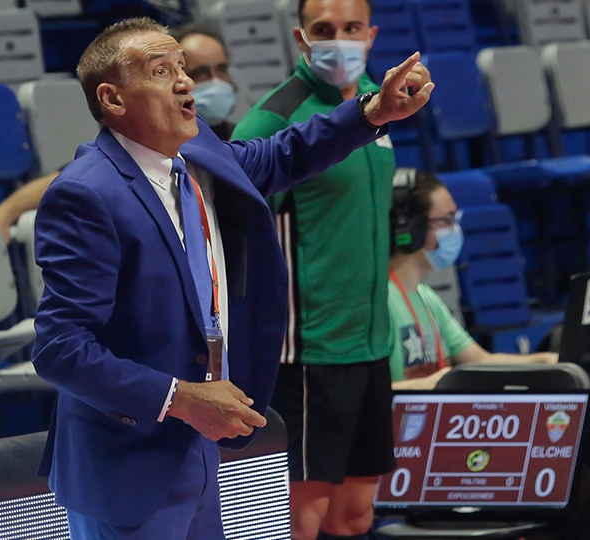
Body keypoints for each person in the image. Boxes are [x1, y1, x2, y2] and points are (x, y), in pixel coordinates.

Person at [31, 16, 432, 540]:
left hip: (201, 444)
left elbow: (282, 153)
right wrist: (182, 398)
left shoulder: (199, 154)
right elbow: (59, 348)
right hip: (128, 459)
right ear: (112, 98)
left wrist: (373, 112)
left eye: (181, 67)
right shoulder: (86, 193)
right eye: (160, 71)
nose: (185, 81)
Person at [231, 1, 399, 538]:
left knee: (354, 515)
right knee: (301, 521)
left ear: (371, 35)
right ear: (302, 38)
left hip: (370, 343)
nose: (340, 39)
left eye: (352, 28)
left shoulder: (379, 100)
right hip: (308, 352)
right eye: (324, 30)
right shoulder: (272, 119)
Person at [0, 24, 240, 241]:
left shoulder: (240, 135)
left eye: (222, 69)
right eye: (198, 72)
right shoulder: (140, 146)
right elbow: (77, 180)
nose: (211, 82)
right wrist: (5, 214)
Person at [387, 168, 557, 391]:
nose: (455, 230)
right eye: (447, 220)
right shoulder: (379, 302)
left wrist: (544, 362)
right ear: (411, 228)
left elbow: (480, 362)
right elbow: (364, 395)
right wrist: (432, 385)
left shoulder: (426, 297)